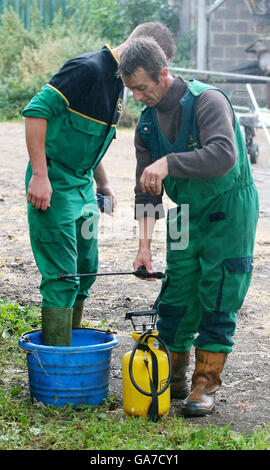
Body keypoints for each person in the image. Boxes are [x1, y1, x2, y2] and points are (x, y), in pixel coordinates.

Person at [117, 37, 259, 417]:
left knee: (218, 290)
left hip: (229, 206)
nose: (137, 97)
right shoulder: (146, 124)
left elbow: (224, 154)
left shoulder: (207, 101)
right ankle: (173, 375)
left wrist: (169, 164)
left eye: (142, 88)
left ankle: (205, 384)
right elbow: (145, 191)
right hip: (185, 212)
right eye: (131, 90)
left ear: (163, 73)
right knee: (177, 289)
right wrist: (144, 247)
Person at [22, 22, 176, 347]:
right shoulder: (88, 69)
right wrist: (39, 175)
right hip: (54, 181)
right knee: (62, 274)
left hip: (83, 185)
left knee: (85, 270)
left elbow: (90, 140)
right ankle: (57, 360)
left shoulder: (118, 84)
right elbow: (36, 111)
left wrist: (103, 183)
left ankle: (70, 342)